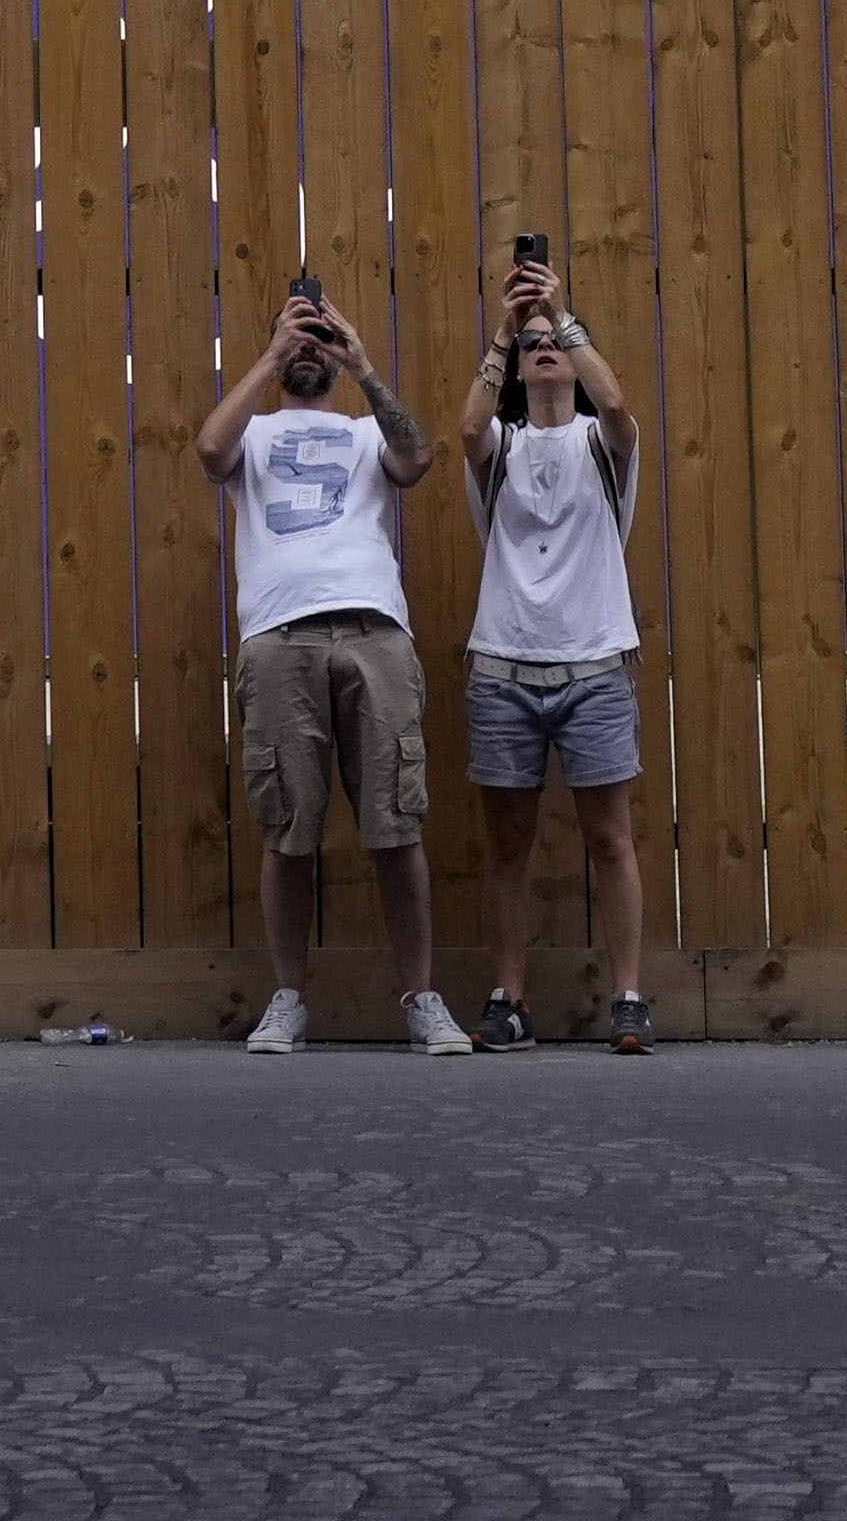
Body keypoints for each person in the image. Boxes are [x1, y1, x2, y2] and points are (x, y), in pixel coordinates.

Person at [193, 269, 473, 1052]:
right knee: (288, 827)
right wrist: (270, 355)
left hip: (373, 631)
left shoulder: (364, 433)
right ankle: (288, 998)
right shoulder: (252, 432)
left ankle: (420, 997)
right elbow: (209, 449)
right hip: (279, 637)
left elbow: (418, 457)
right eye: (299, 336)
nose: (310, 348)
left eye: (320, 337)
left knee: (397, 824)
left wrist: (364, 365)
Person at [451, 253, 652, 1052]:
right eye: (531, 344)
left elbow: (620, 406)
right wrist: (506, 330)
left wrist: (561, 316)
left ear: (574, 354)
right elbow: (467, 429)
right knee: (507, 845)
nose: (543, 349)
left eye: (555, 342)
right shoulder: (499, 447)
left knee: (610, 837)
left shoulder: (603, 446)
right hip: (503, 668)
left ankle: (629, 996)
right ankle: (509, 1000)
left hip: (595, 665)